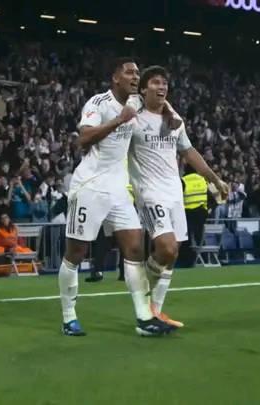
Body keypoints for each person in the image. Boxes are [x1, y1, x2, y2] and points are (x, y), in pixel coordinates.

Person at [58, 57, 175, 337]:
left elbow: (163, 109)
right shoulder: (98, 103)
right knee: (76, 253)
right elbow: (83, 140)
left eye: (137, 73)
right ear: (116, 78)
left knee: (135, 249)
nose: (135, 77)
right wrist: (119, 120)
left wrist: (169, 112)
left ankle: (144, 318)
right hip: (90, 186)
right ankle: (69, 317)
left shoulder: (138, 103)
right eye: (129, 72)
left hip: (119, 189)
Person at [129, 65, 228, 328]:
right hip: (149, 191)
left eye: (165, 83)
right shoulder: (133, 117)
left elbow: (188, 151)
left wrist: (215, 179)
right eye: (155, 82)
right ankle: (142, 299)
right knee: (167, 248)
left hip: (174, 191)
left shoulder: (174, 120)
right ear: (143, 89)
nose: (162, 87)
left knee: (173, 254)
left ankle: (155, 311)